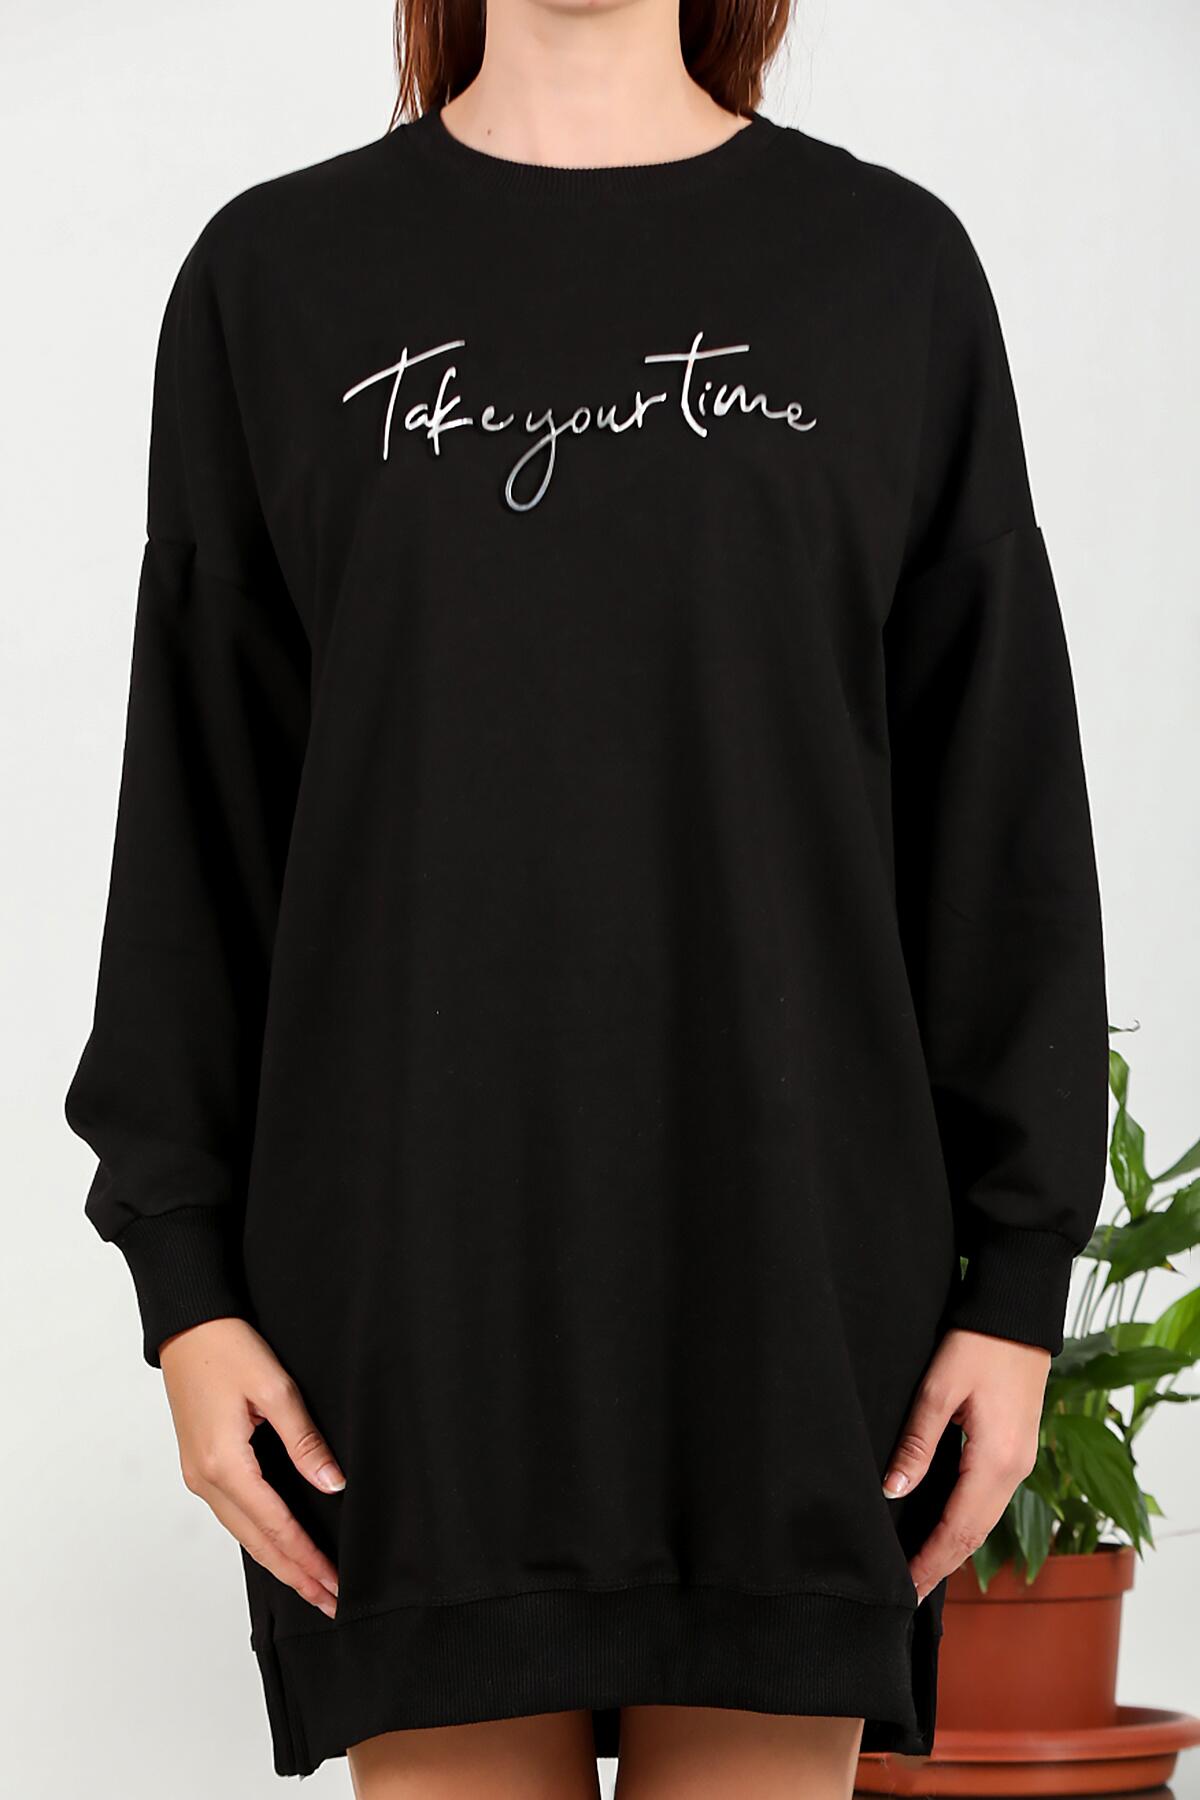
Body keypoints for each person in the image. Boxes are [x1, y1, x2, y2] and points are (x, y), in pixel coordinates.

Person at [63, 0, 1110, 1789]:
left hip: (795, 1310)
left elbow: (995, 810)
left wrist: (1016, 1285)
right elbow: (200, 816)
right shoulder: (277, 280)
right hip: (408, 1315)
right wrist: (185, 1284)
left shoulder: (888, 273)